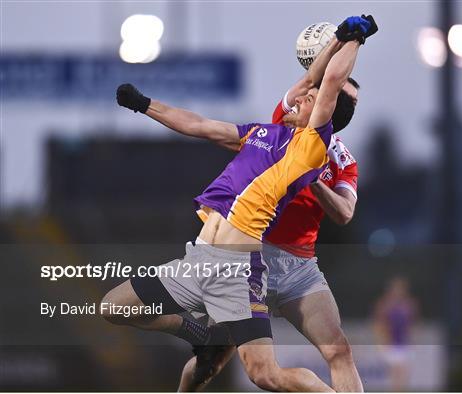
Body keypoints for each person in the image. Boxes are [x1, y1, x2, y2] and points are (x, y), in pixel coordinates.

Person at [104, 15, 376, 392]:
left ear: (321, 113)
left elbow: (327, 84)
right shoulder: (265, 130)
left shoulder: (309, 149)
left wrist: (354, 40)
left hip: (251, 267)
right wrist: (145, 104)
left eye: (310, 98)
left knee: (270, 373)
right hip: (200, 259)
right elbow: (200, 125)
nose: (299, 95)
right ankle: (195, 332)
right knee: (125, 315)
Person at [177, 30, 373, 392]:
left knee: (339, 350)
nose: (349, 101)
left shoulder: (342, 161)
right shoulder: (286, 121)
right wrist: (344, 41)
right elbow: (313, 80)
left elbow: (345, 212)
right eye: (344, 90)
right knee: (208, 363)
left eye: (355, 100)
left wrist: (312, 179)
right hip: (251, 260)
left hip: (299, 268)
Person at [374, 277, 419, 391]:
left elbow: (412, 324)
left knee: (403, 376)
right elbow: (379, 324)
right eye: (396, 288)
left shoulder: (409, 305)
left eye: (401, 289)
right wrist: (381, 342)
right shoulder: (384, 304)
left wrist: (413, 340)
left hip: (403, 344)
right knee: (395, 375)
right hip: (390, 343)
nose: (398, 291)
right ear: (391, 289)